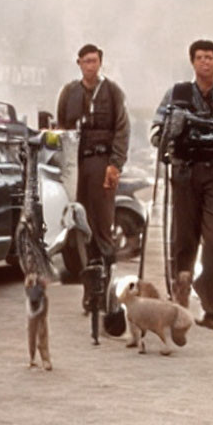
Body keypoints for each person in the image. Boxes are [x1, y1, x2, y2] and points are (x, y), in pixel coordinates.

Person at [152, 38, 213, 331]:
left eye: (209, 57)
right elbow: (157, 132)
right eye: (199, 57)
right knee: (183, 241)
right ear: (192, 62)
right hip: (185, 175)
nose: (204, 62)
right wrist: (170, 133)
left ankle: (212, 309)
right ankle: (179, 300)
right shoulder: (177, 94)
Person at [56, 44, 130, 267]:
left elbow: (122, 129)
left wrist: (115, 164)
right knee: (74, 212)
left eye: (94, 61)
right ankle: (79, 264)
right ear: (79, 63)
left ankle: (105, 264)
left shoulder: (112, 92)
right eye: (86, 61)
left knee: (102, 216)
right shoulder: (69, 92)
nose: (90, 66)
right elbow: (62, 127)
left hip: (101, 160)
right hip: (75, 162)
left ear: (100, 63)